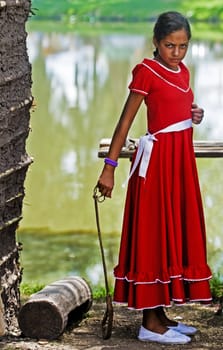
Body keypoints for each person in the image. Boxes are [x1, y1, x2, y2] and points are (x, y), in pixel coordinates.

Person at [97, 11, 212, 345]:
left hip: (180, 165)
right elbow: (125, 122)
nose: (176, 52)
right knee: (155, 235)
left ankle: (161, 315)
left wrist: (194, 113)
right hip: (158, 166)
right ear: (156, 43)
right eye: (169, 45)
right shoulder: (145, 71)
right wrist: (109, 167)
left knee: (174, 231)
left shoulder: (184, 71)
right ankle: (149, 325)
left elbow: (176, 107)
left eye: (182, 46)